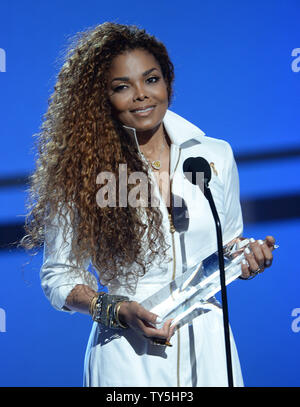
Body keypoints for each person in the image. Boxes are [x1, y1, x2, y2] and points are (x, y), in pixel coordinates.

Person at [21, 22, 276, 387]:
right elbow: (59, 276)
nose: (141, 95)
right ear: (101, 98)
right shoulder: (81, 173)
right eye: (122, 87)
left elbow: (228, 245)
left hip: (210, 348)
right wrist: (115, 310)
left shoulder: (215, 154)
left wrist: (247, 257)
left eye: (151, 79)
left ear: (167, 82)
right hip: (127, 352)